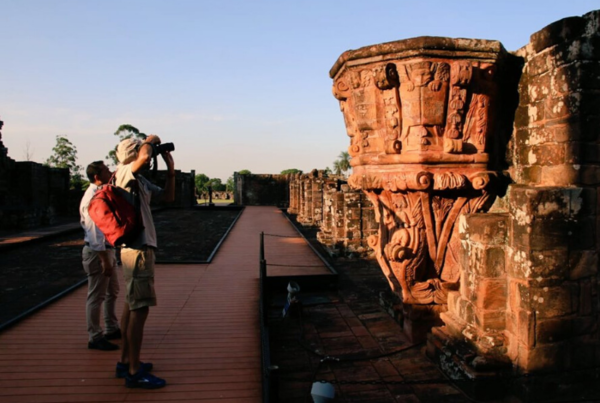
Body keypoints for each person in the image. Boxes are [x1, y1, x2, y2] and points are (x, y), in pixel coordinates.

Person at [114, 135, 175, 389]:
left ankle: (125, 360)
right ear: (133, 154)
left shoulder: (138, 180)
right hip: (137, 250)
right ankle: (134, 371)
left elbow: (168, 199)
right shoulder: (124, 172)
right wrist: (150, 141)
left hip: (138, 249)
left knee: (131, 305)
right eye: (140, 150)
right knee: (140, 309)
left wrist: (170, 169)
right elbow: (145, 157)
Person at [80, 161, 121, 351]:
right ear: (97, 176)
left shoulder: (101, 193)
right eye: (106, 170)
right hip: (98, 252)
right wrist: (105, 259)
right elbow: (94, 231)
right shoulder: (93, 197)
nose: (109, 172)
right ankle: (94, 336)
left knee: (112, 291)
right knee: (96, 295)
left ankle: (111, 327)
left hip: (106, 250)